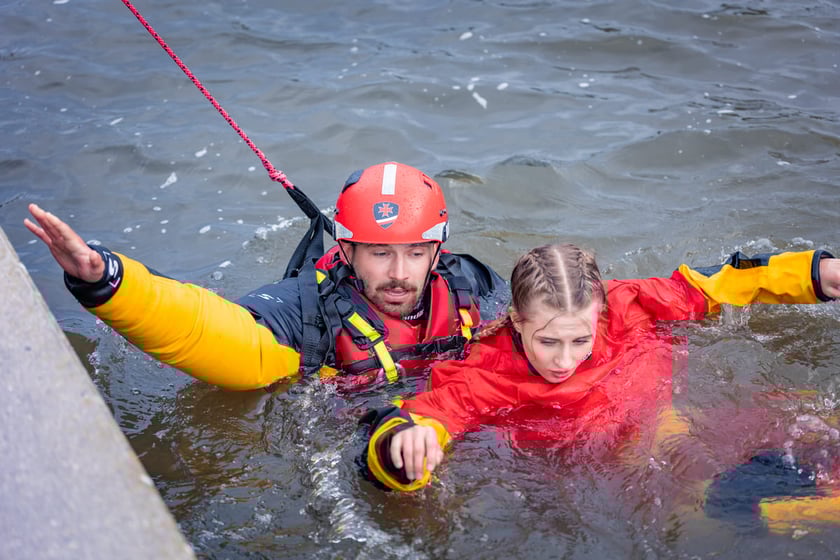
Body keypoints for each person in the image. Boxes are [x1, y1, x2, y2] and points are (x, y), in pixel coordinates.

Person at [360, 242, 840, 530]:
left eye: (580, 340)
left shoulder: (628, 303)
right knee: (728, 508)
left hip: (664, 420)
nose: (565, 360)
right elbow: (423, 415)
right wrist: (403, 445)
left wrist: (816, 274)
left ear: (601, 314)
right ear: (517, 321)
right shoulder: (485, 372)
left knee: (812, 423)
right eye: (547, 341)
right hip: (613, 460)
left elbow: (719, 283)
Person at [24, 161, 505, 390]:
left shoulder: (470, 283)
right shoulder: (304, 310)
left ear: (437, 249)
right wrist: (107, 281)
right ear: (346, 247)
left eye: (416, 253)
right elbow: (214, 332)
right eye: (380, 254)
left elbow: (542, 324)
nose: (400, 274)